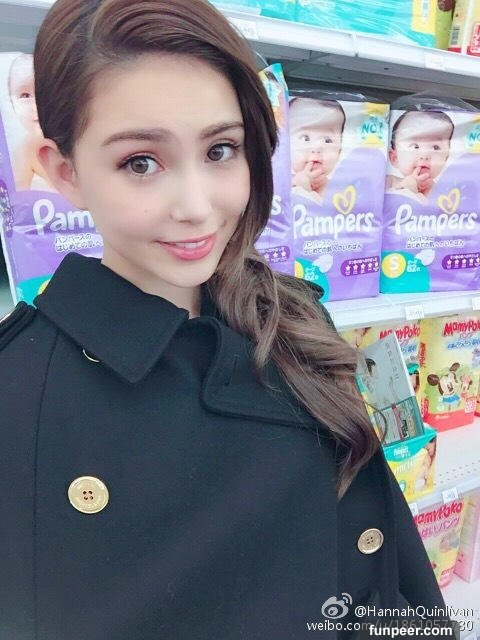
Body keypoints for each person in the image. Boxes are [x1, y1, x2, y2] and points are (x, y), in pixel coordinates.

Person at [0, 1, 447, 639]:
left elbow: (379, 553)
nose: (197, 206)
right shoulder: (19, 394)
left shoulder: (293, 316)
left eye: (220, 150)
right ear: (63, 171)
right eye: (141, 162)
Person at [7, 53, 55, 192]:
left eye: (43, 92)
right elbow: (17, 198)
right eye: (25, 96)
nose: (36, 105)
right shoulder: (23, 151)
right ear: (12, 104)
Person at [386, 110, 453, 199]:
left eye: (435, 147)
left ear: (445, 159)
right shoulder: (388, 182)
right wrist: (406, 189)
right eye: (415, 146)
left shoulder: (443, 193)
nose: (425, 155)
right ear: (395, 158)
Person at [290, 96, 345, 202]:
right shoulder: (279, 183)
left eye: (327, 140)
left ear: (339, 151)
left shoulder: (338, 193)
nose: (316, 148)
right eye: (305, 138)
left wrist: (304, 191)